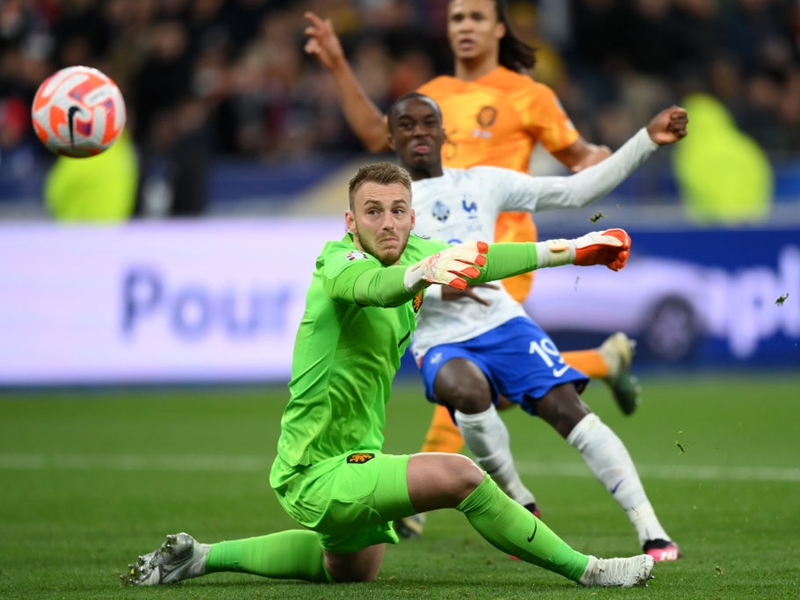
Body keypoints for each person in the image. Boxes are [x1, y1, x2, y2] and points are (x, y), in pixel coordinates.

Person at [123, 162, 655, 588]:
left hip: (357, 455)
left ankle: (199, 558)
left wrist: (576, 250)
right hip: (312, 468)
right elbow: (374, 288)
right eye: (372, 211)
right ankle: (590, 570)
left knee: (352, 569)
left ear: (412, 217)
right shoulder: (336, 265)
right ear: (351, 222)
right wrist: (421, 274)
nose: (387, 223)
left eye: (398, 211)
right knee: (462, 477)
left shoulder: (420, 250)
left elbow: (483, 259)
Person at [303, 0, 641, 477]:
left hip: (504, 251)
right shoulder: (432, 94)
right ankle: (602, 362)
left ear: (499, 29)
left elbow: (580, 157)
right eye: (457, 18)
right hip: (438, 249)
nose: (466, 26)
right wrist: (338, 63)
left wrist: (601, 162)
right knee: (482, 381)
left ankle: (422, 499)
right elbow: (377, 136)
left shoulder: (528, 94)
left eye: (477, 17)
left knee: (467, 382)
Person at [385, 93, 685, 562]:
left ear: (445, 133)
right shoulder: (387, 207)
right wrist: (439, 289)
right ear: (390, 138)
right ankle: (519, 501)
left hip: (503, 322)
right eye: (406, 125)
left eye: (428, 122)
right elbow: (377, 282)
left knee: (569, 411)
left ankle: (652, 532)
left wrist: (646, 140)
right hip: (438, 336)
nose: (418, 131)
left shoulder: (482, 182)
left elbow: (576, 192)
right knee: (465, 391)